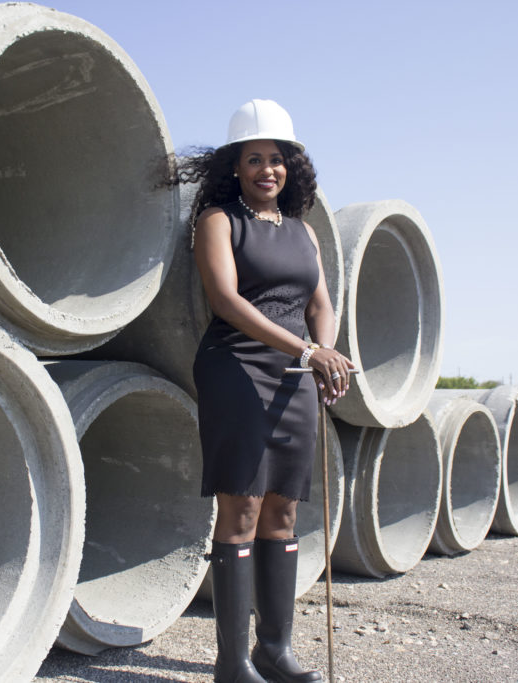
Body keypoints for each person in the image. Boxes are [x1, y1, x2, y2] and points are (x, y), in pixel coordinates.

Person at [183, 99, 354, 682]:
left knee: (283, 506)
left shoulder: (305, 232)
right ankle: (231, 665)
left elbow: (320, 304)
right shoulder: (218, 220)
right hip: (237, 367)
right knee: (242, 505)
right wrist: (307, 350)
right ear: (235, 166)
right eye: (253, 159)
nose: (266, 170)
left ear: (291, 167)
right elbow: (226, 303)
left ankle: (273, 650)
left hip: (296, 375)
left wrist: (326, 353)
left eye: (276, 159)